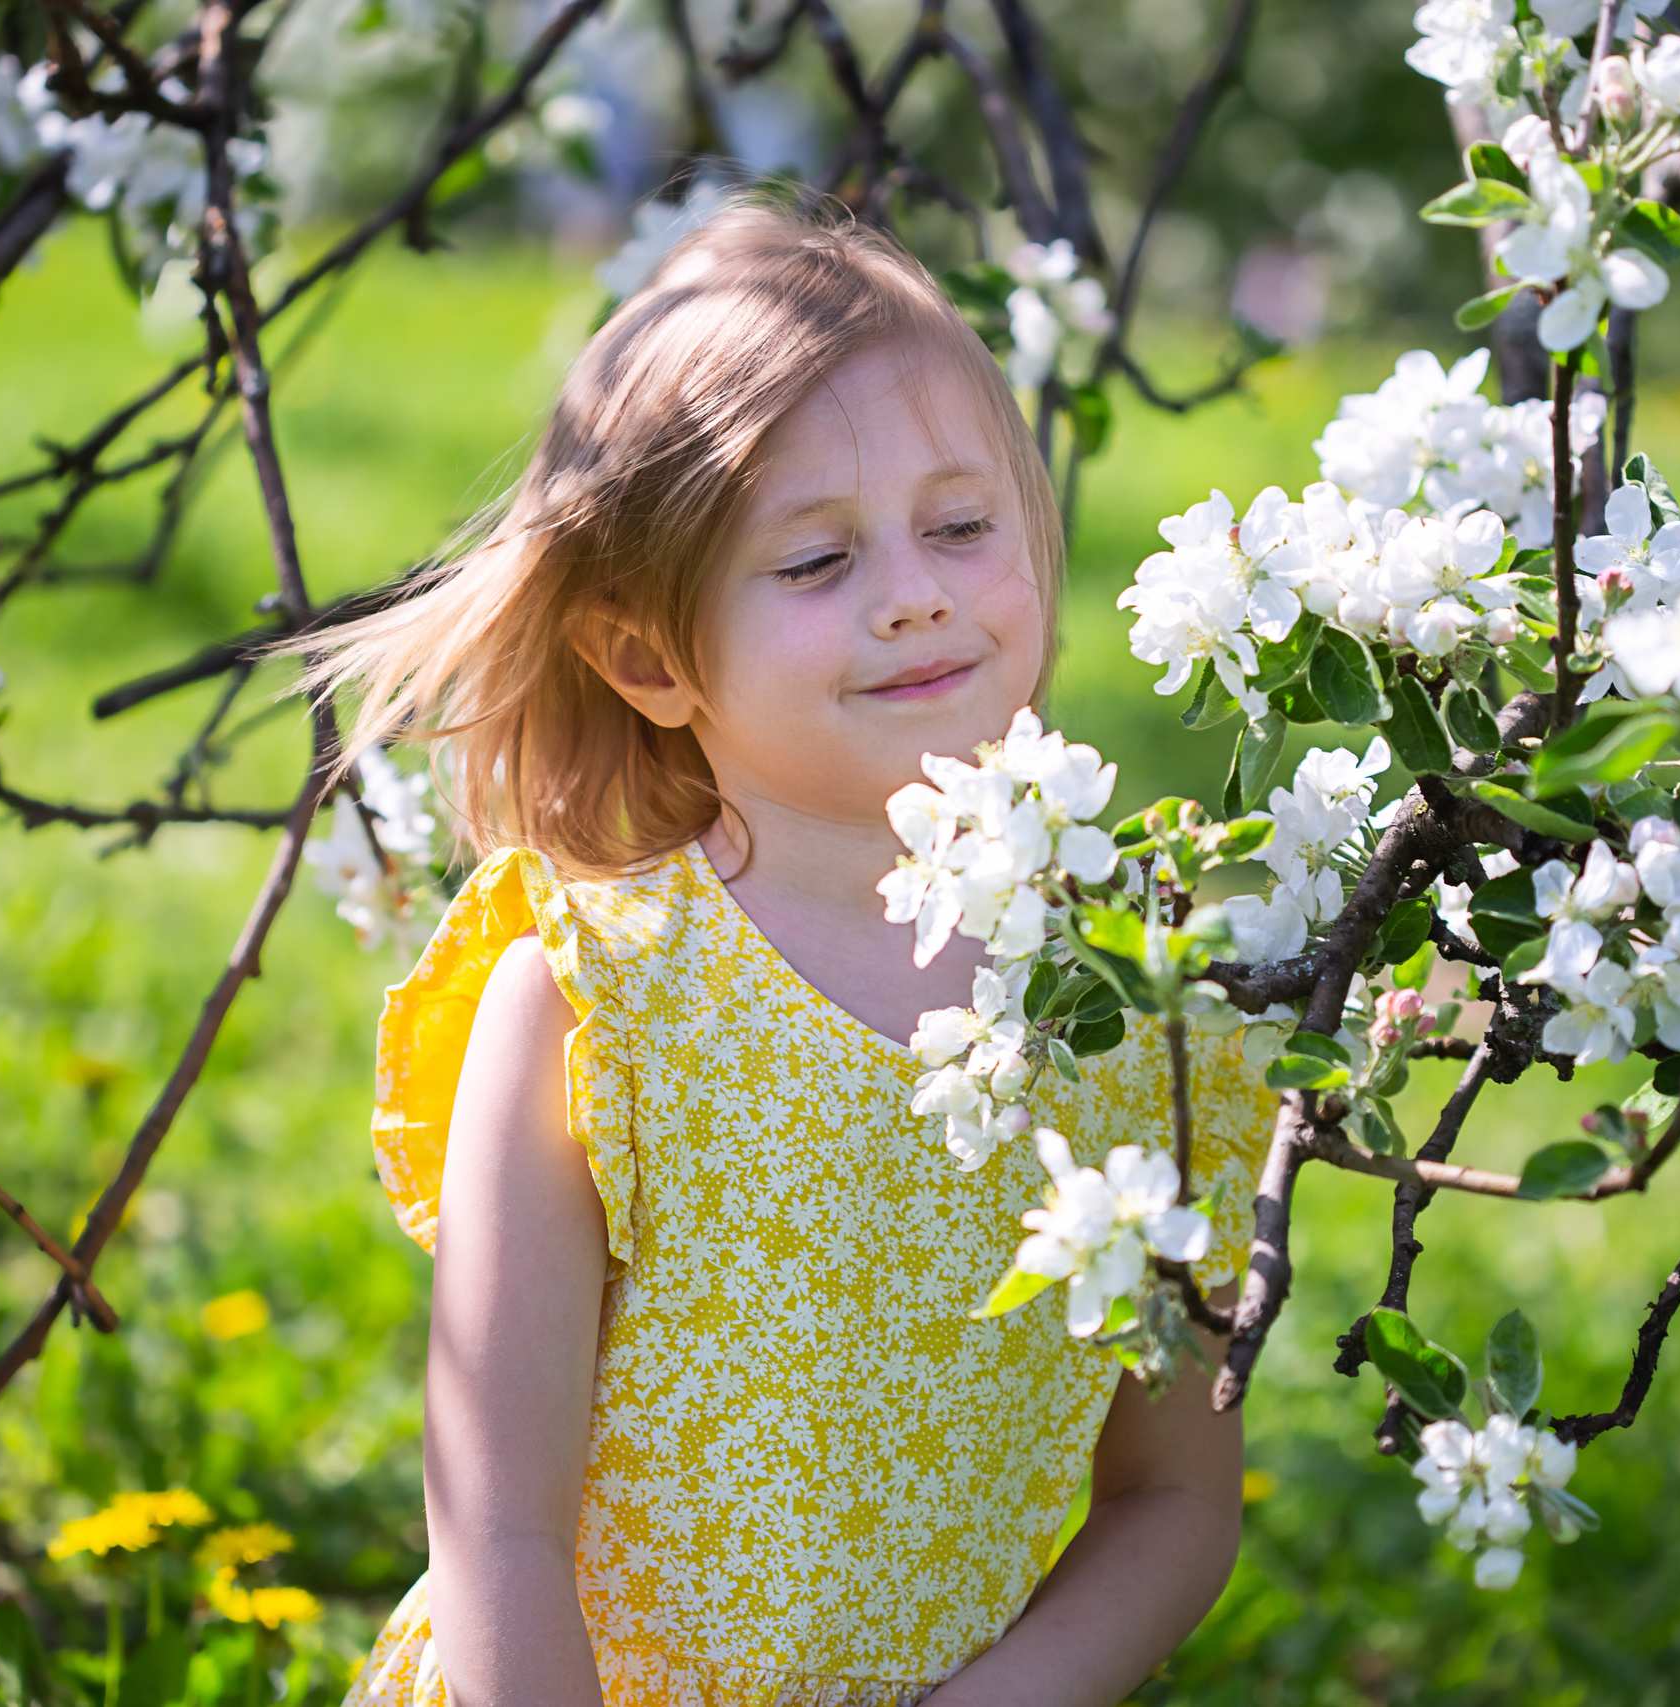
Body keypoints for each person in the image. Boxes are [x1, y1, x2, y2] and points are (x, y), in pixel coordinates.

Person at [317, 195, 1271, 1707]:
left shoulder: (1137, 1007)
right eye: (817, 561)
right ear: (648, 657)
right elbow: (496, 1525)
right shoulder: (598, 999)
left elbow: (1174, 1497)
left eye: (962, 526)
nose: (916, 592)